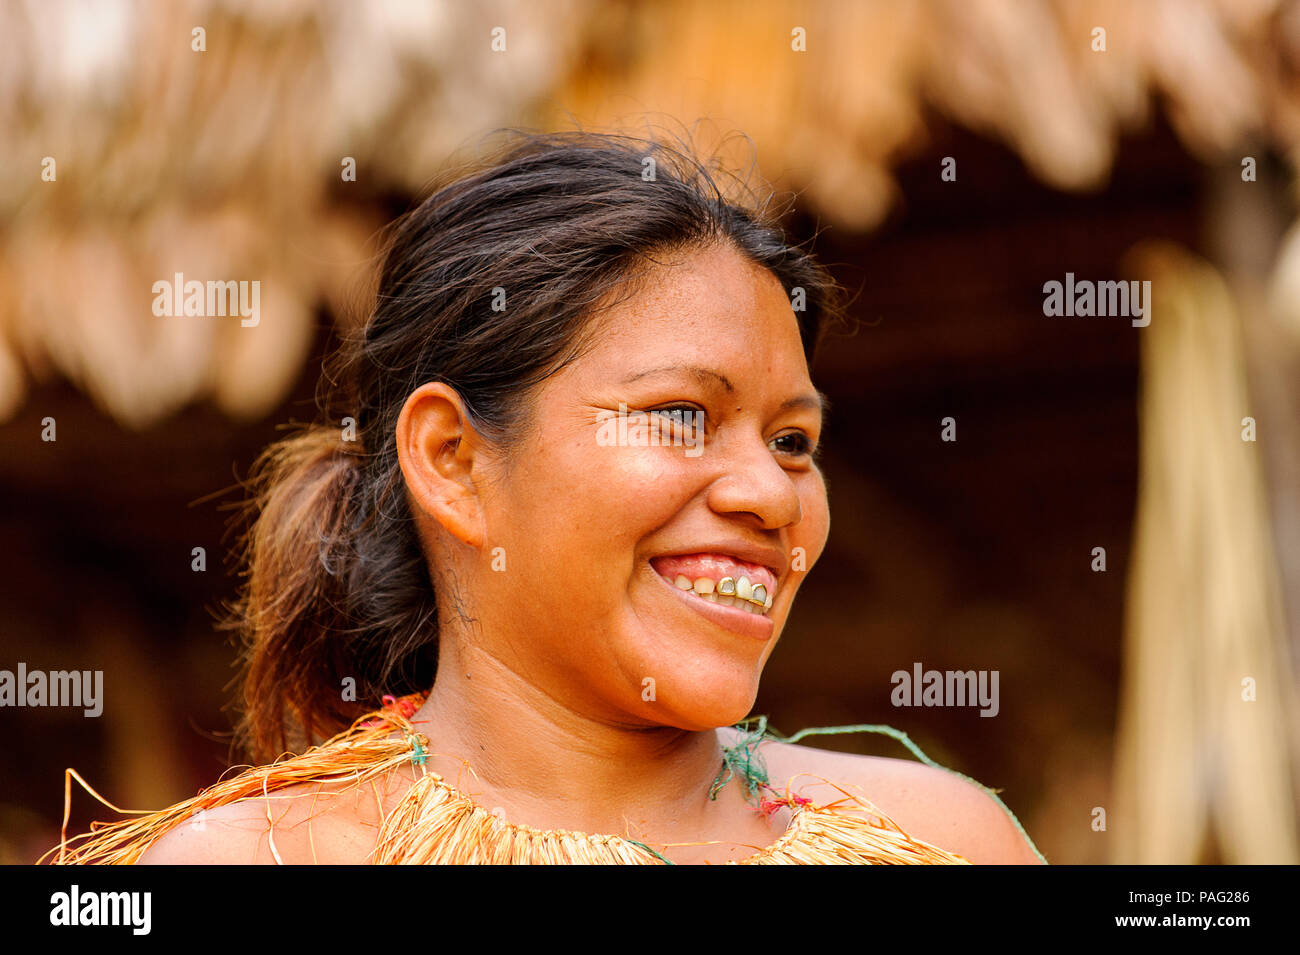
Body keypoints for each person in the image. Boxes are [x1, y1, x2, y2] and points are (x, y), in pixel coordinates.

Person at [51, 129, 1045, 865]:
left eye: (793, 440)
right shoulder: (249, 862)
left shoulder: (938, 842)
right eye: (679, 416)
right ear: (453, 460)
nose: (769, 493)